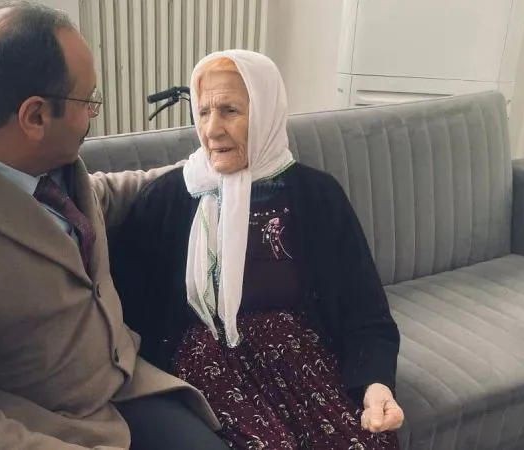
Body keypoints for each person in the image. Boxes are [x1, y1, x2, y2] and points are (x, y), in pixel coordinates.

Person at [0, 2, 229, 449]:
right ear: (34, 116)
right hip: (56, 429)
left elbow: (99, 198)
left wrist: (200, 171)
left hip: (128, 384)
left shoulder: (33, 159)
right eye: (88, 101)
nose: (92, 114)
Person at [110, 50, 404, 449]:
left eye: (230, 110)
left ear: (266, 112)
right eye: (203, 112)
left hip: (299, 360)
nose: (212, 129)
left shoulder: (318, 196)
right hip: (206, 366)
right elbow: (122, 310)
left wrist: (376, 384)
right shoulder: (167, 200)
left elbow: (365, 310)